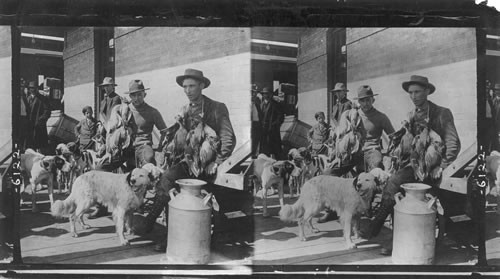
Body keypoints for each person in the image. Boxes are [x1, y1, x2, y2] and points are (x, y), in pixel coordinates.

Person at [362, 75, 460, 255]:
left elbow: (453, 143)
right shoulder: (412, 116)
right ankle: (392, 235)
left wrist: (442, 166)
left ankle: (377, 227)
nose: (413, 96)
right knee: (393, 183)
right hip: (415, 166)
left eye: (417, 92)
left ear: (427, 91)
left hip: (434, 168)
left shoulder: (441, 113)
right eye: (410, 93)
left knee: (397, 184)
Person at [144, 68, 236, 252]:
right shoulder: (184, 110)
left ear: (202, 86)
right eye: (185, 87)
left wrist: (217, 161)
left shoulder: (217, 108)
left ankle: (213, 237)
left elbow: (228, 138)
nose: (188, 90)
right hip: (189, 162)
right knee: (168, 178)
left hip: (209, 163)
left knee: (207, 191)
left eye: (192, 86)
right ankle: (167, 233)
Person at [355, 85, 395, 171]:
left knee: (376, 169)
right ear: (358, 102)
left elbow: (394, 137)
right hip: (356, 151)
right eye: (362, 101)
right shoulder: (354, 115)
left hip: (373, 150)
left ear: (373, 100)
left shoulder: (381, 117)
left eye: (368, 100)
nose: (366, 104)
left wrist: (390, 153)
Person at [259, 87, 284, 159]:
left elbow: (281, 117)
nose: (266, 95)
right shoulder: (261, 105)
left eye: (267, 94)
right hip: (264, 131)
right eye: (264, 94)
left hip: (273, 131)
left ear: (271, 94)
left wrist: (275, 125)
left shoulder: (275, 104)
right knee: (265, 149)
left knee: (275, 149)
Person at [26, 81, 51, 153]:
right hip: (30, 126)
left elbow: (47, 111)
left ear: (37, 88)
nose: (32, 90)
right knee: (31, 145)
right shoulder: (28, 99)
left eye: (33, 88)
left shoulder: (43, 98)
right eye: (30, 88)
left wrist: (41, 120)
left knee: (40, 145)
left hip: (39, 126)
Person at [251, 84, 263, 158]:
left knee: (257, 139)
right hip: (251, 124)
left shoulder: (257, 102)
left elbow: (261, 113)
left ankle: (255, 154)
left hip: (257, 124)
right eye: (252, 92)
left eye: (254, 92)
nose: (253, 94)